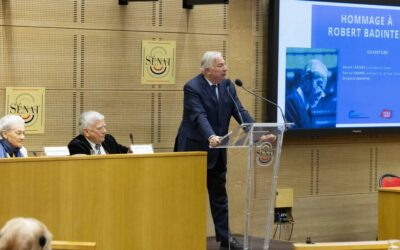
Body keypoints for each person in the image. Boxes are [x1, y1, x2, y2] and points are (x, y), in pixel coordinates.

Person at [174, 51, 254, 249]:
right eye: (220, 65)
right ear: (207, 70)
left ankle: (226, 240)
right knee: (189, 197)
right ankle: (186, 238)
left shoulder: (227, 86)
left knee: (219, 196)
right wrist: (211, 136)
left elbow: (239, 111)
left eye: (224, 64)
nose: (225, 68)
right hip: (194, 149)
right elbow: (198, 116)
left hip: (218, 149)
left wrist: (258, 133)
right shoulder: (192, 87)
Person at [285, 59, 328, 128]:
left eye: (323, 89)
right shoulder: (290, 103)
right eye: (319, 84)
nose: (321, 94)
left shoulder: (307, 109)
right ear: (306, 78)